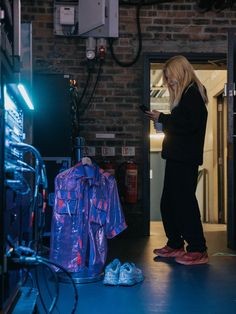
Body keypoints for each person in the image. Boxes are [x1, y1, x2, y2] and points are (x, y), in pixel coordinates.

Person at [145, 55, 208, 265]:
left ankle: (198, 249)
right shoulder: (187, 95)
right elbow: (183, 124)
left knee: (184, 203)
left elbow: (189, 123)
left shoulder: (193, 93)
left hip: (184, 158)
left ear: (180, 72)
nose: (169, 82)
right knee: (169, 202)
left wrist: (162, 118)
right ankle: (174, 243)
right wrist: (164, 124)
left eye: (171, 77)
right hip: (177, 156)